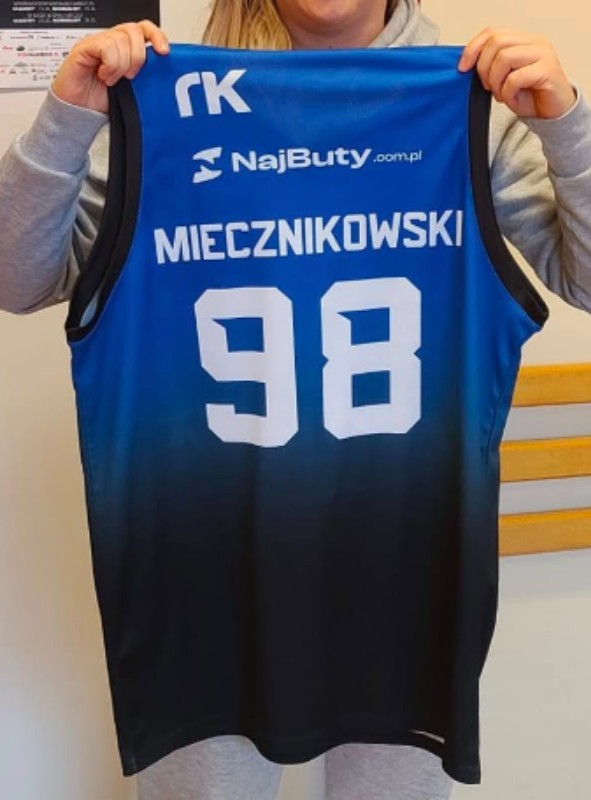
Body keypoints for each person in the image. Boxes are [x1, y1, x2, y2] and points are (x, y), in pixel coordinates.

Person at [0, 2, 590, 799]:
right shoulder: (166, 107)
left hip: (402, 569)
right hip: (200, 574)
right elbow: (16, 278)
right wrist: (67, 116)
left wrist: (565, 125)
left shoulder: (469, 104)